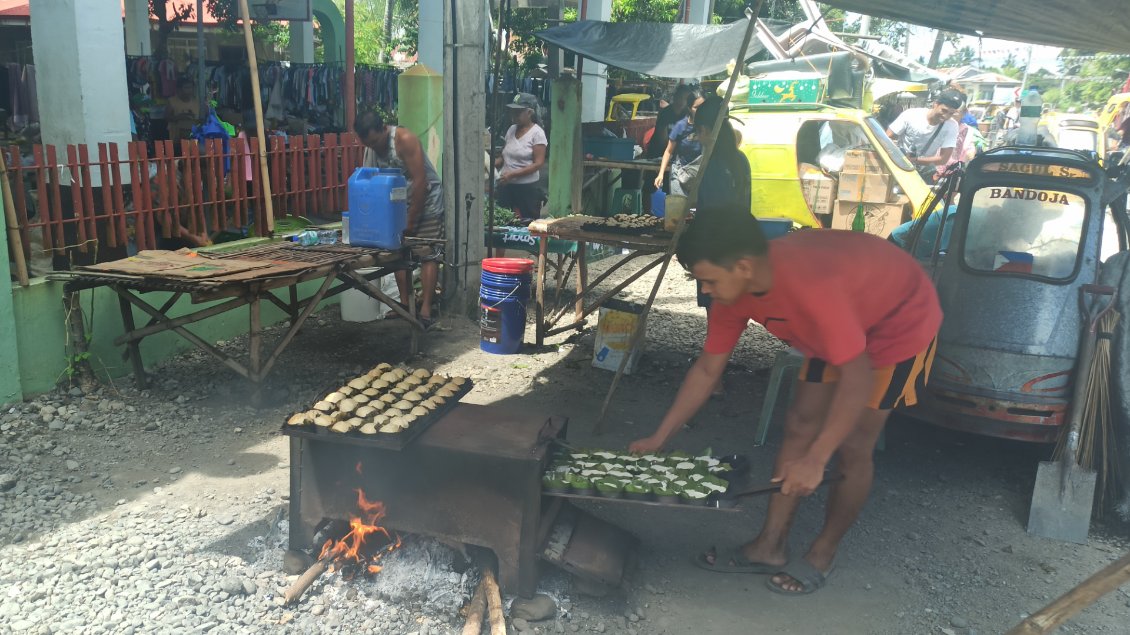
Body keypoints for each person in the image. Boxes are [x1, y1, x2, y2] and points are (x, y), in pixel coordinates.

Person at [629, 210, 941, 596]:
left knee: (853, 446)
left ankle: (823, 552)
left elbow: (856, 378)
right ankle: (769, 546)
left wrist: (816, 459)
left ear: (743, 266)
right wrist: (661, 436)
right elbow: (709, 369)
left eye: (707, 280)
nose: (704, 290)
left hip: (897, 324)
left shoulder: (810, 288)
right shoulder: (733, 293)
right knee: (800, 424)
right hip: (839, 322)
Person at [355, 110, 445, 328]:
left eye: (376, 142)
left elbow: (421, 181)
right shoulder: (372, 147)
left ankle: (425, 310)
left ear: (383, 128)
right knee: (397, 251)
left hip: (426, 198)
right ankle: (404, 305)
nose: (374, 147)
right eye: (369, 144)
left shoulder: (404, 139)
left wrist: (411, 221)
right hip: (398, 202)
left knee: (427, 252)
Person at [885, 89, 963, 181]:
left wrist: (914, 160)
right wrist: (897, 156)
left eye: (951, 113)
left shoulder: (952, 126)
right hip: (898, 167)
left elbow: (943, 159)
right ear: (935, 104)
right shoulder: (911, 114)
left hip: (922, 174)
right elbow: (886, 138)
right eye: (944, 110)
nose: (946, 116)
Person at [494, 93, 547, 222]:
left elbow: (538, 163)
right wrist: (494, 163)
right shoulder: (511, 129)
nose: (513, 115)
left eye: (517, 112)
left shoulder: (537, 133)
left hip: (527, 190)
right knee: (502, 221)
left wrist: (513, 174)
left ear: (529, 113)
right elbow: (505, 154)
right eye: (512, 112)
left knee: (527, 225)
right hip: (506, 186)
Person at [654, 95, 707, 196]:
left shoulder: (707, 128)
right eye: (696, 108)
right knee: (679, 208)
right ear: (689, 109)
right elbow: (668, 151)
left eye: (702, 107)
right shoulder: (680, 126)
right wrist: (661, 174)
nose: (700, 111)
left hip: (700, 175)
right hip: (680, 174)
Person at [934, 104, 985, 180]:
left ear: (963, 113)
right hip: (934, 170)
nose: (951, 113)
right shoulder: (937, 126)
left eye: (956, 111)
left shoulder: (969, 131)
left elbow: (971, 150)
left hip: (954, 174)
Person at [166, 78, 201, 144]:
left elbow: (200, 120)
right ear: (179, 89)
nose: (189, 90)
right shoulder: (172, 101)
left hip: (193, 137)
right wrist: (180, 117)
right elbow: (166, 117)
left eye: (191, 87)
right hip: (176, 137)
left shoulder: (197, 102)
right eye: (186, 88)